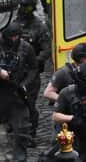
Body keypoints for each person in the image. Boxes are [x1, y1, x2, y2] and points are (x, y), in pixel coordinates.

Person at [0, 22, 37, 162]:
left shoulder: (26, 48)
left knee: (22, 130)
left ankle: (20, 158)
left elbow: (34, 68)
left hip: (16, 92)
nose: (15, 39)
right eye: (12, 37)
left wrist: (25, 84)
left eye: (17, 36)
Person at [17, 0, 50, 136]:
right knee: (14, 101)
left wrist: (33, 62)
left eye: (28, 8)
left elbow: (46, 50)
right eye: (22, 7)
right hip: (15, 72)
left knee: (29, 102)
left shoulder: (39, 27)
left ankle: (31, 131)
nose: (25, 11)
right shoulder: (13, 23)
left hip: (31, 73)